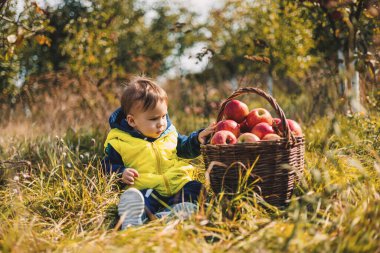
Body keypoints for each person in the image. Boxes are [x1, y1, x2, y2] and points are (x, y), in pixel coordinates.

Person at [102, 76, 215, 229]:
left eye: (163, 116)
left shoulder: (168, 133)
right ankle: (133, 218)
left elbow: (184, 146)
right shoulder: (119, 141)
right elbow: (107, 166)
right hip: (149, 189)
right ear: (132, 121)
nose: (161, 123)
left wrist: (197, 139)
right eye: (154, 119)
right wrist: (121, 173)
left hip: (177, 185)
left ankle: (171, 215)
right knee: (137, 197)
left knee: (195, 188)